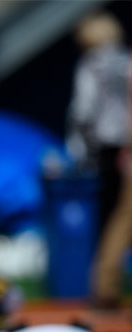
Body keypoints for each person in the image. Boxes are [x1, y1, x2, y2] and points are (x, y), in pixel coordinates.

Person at [73, 14, 132, 308]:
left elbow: (83, 109)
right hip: (124, 145)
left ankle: (105, 287)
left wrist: (80, 149)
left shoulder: (93, 65)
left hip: (109, 148)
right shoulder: (126, 60)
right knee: (123, 217)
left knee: (116, 217)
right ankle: (107, 287)